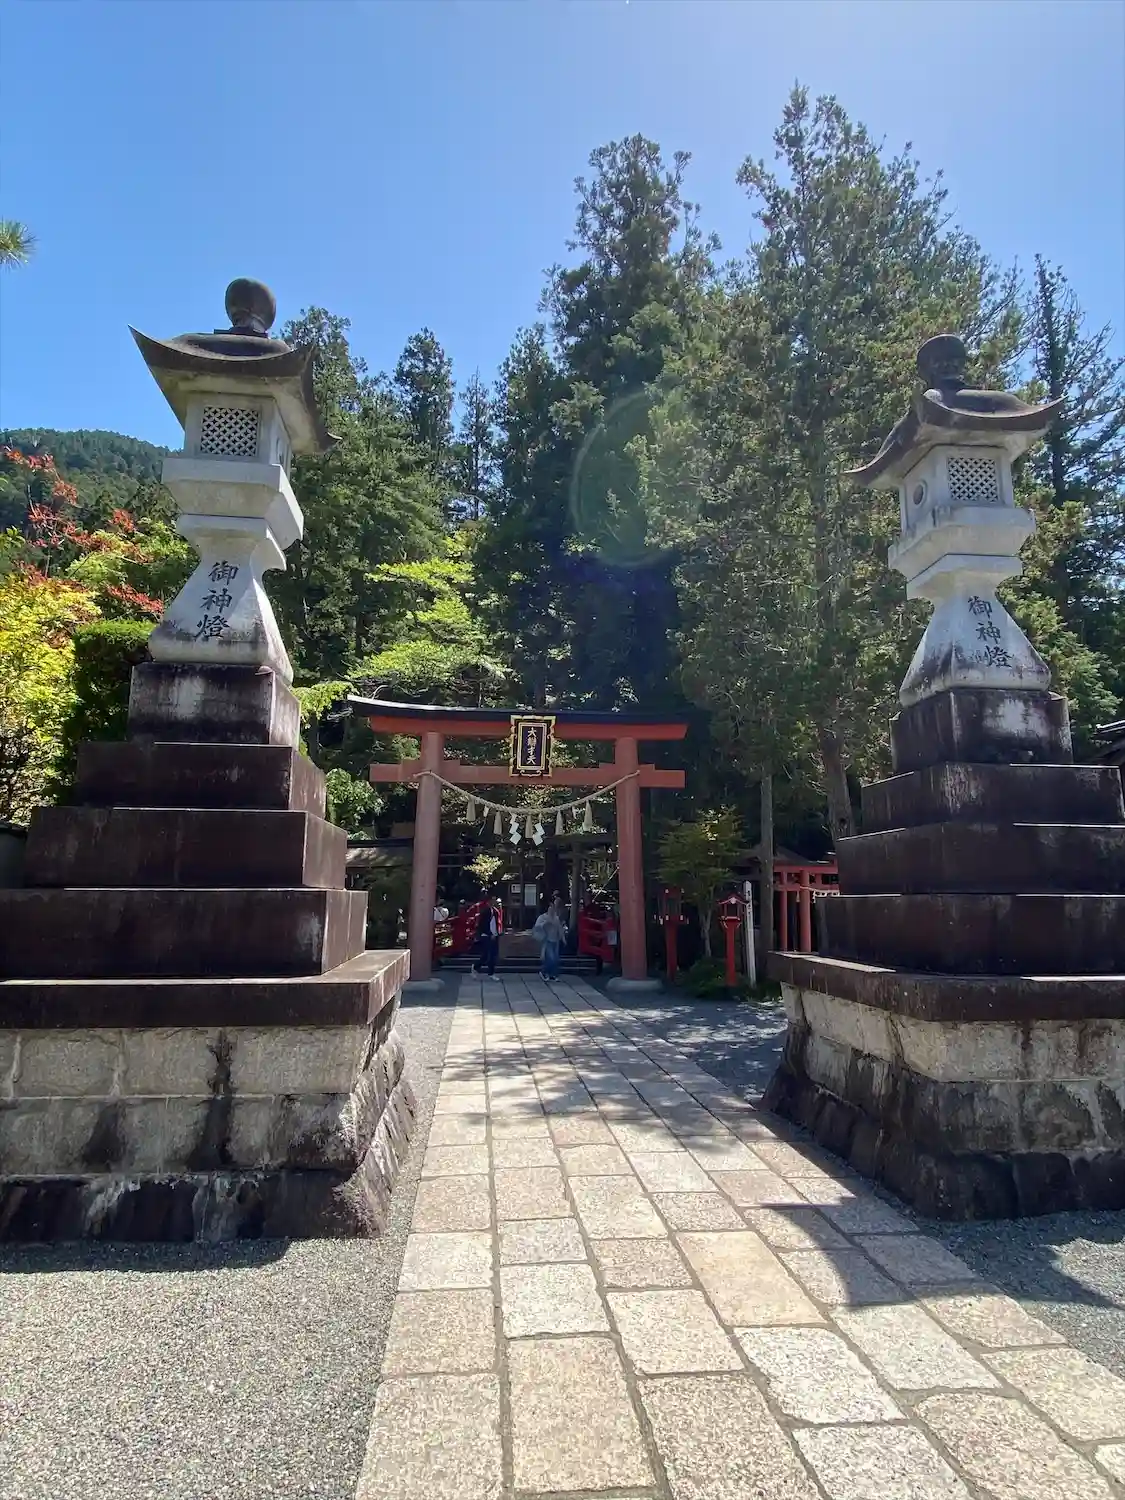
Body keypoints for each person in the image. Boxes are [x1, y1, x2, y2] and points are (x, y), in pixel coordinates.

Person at [532, 898, 566, 981]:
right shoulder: (543, 917)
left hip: (555, 941)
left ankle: (552, 974)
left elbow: (559, 929)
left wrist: (563, 938)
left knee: (555, 959)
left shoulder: (556, 918)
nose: (552, 910)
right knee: (551, 958)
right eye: (550, 908)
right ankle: (544, 972)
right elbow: (537, 927)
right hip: (547, 941)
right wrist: (545, 923)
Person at [473, 894, 501, 979]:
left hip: (494, 935)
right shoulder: (485, 911)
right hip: (486, 935)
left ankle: (491, 972)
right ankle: (476, 967)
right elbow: (483, 925)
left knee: (493, 955)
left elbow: (496, 924)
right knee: (486, 955)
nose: (494, 901)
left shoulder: (495, 911)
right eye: (493, 900)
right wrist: (489, 933)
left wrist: (497, 933)